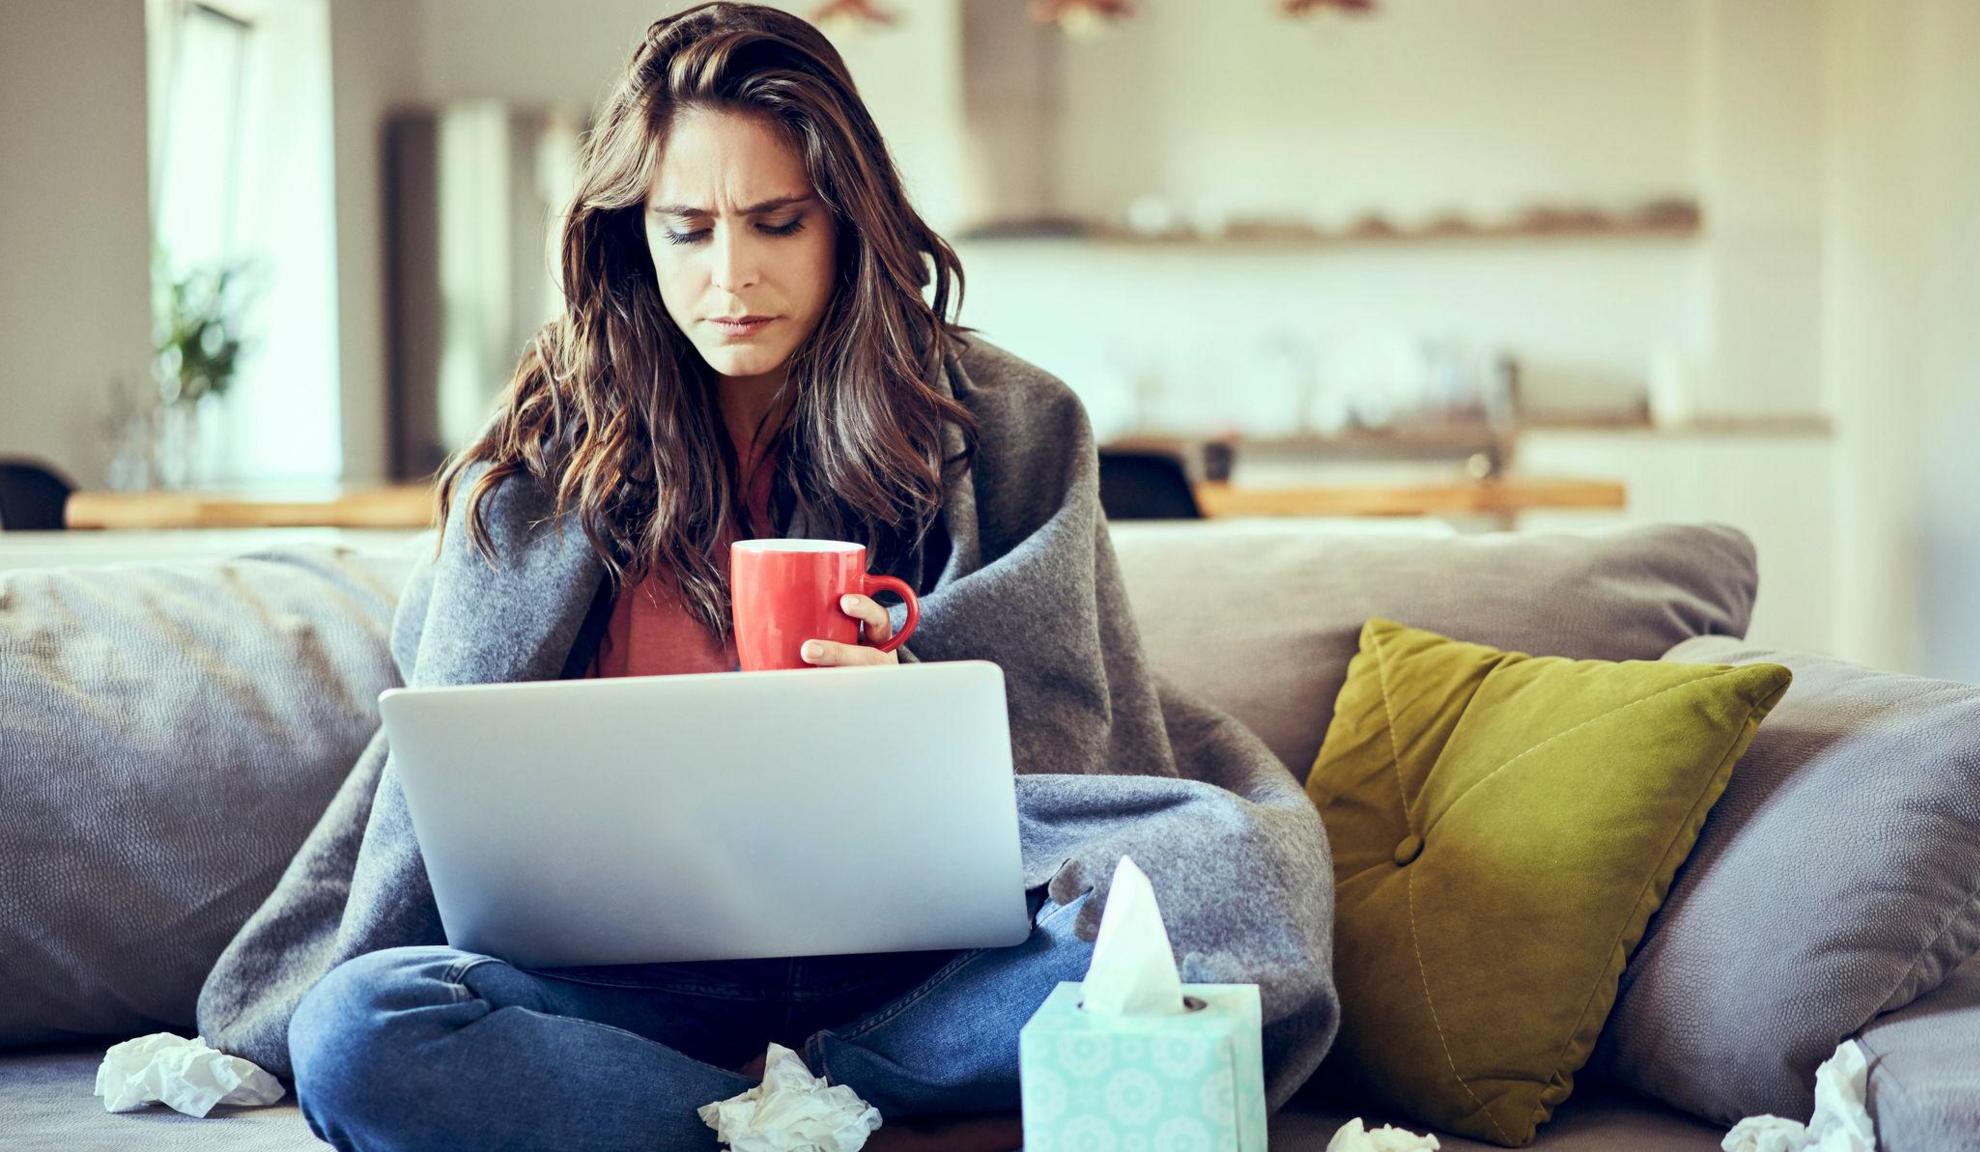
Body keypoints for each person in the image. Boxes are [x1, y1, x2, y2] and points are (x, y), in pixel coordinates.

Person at [198, 5, 1339, 1150]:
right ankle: (793, 1116)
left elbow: (1071, 738)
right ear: (626, 236)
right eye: (685, 229)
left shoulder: (1008, 422)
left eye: (776, 223)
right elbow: (445, 760)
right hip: (632, 997)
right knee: (360, 1027)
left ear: (848, 221)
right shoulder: (542, 461)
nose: (729, 277)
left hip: (926, 979)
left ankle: (811, 1095)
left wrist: (922, 707)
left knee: (1228, 893)